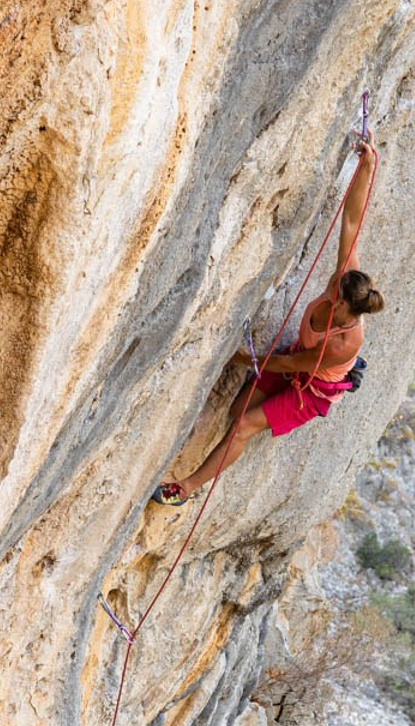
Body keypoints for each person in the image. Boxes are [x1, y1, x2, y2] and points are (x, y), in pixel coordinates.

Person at [152, 133, 383, 505]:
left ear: (343, 308)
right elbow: (352, 222)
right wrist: (368, 165)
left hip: (311, 390)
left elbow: (292, 362)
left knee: (242, 426)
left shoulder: (342, 345)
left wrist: (240, 356)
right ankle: (210, 464)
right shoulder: (343, 281)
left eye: (333, 294)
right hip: (295, 362)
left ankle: (186, 489)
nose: (329, 289)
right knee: (235, 411)